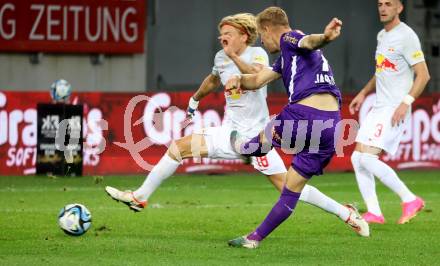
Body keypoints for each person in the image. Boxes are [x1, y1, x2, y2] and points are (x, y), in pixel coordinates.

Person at [105, 13, 364, 236]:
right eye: (220, 35)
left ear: (243, 35)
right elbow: (213, 79)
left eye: (227, 33)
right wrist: (195, 100)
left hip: (258, 136)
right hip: (231, 132)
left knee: (289, 188)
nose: (222, 38)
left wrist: (235, 64)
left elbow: (257, 74)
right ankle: (140, 197)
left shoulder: (259, 52)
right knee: (178, 147)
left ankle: (345, 213)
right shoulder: (221, 57)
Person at [226, 7, 369, 249]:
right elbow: (258, 80)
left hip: (306, 116)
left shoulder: (289, 38)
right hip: (331, 126)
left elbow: (308, 41)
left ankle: (245, 147)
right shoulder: (288, 58)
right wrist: (239, 80)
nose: (261, 39)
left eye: (261, 34)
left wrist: (325, 37)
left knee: (263, 139)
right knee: (291, 191)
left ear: (269, 29)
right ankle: (253, 239)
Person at [349, 0, 430, 224]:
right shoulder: (382, 36)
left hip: (395, 107)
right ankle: (374, 213)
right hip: (380, 106)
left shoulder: (407, 36)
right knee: (357, 157)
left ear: (399, 8)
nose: (383, 8)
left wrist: (405, 103)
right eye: (380, 4)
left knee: (367, 157)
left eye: (389, 4)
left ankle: (410, 199)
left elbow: (423, 75)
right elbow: (381, 70)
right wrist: (363, 92)